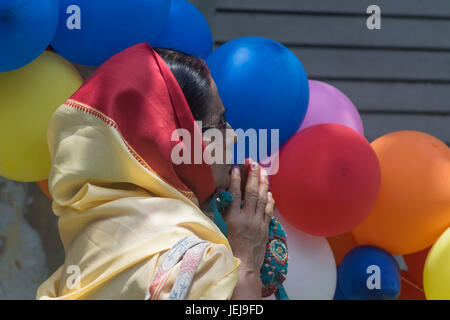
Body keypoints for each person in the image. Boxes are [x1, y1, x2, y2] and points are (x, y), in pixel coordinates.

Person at [36, 43, 274, 300]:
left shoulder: (90, 234)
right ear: (177, 142)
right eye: (220, 123)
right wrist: (246, 259)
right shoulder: (194, 265)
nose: (233, 137)